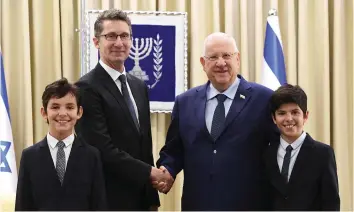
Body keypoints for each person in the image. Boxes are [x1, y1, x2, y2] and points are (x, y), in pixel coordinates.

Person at [155, 32, 278, 210]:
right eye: (213, 57)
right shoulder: (185, 102)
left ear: (237, 59)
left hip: (250, 204)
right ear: (203, 64)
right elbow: (174, 150)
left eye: (226, 56)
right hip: (198, 204)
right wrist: (167, 169)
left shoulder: (265, 99)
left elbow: (278, 150)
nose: (221, 63)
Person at [75, 9, 165, 211]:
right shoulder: (86, 88)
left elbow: (144, 145)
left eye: (124, 36)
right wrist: (150, 173)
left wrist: (152, 198)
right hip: (107, 199)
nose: (119, 42)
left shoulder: (138, 85)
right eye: (111, 36)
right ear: (96, 42)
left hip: (140, 200)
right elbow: (101, 148)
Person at [15, 78, 107, 211]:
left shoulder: (92, 156)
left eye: (70, 107)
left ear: (79, 112)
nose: (62, 113)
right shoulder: (29, 156)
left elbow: (99, 205)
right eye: (55, 107)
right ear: (44, 113)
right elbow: (22, 206)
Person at [264, 84, 340, 210]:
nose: (289, 119)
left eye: (295, 112)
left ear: (305, 116)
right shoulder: (266, 153)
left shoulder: (323, 154)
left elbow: (331, 203)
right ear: (274, 118)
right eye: (282, 113)